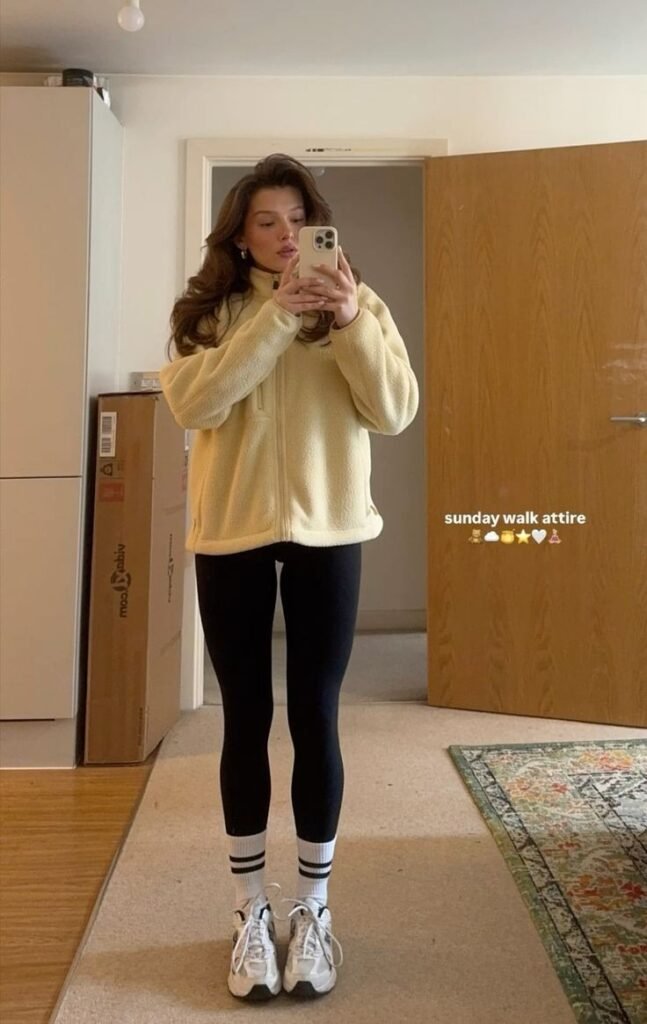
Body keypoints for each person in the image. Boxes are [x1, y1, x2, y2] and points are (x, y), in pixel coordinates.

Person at [159, 153, 419, 1002]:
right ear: (239, 235)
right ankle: (249, 910)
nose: (283, 236)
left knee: (315, 712)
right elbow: (195, 405)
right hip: (230, 530)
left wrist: (346, 319)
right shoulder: (207, 314)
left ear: (319, 228)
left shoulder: (357, 302)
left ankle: (313, 908)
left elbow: (393, 411)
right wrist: (273, 319)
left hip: (328, 528)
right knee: (244, 716)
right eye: (265, 222)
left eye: (297, 221)